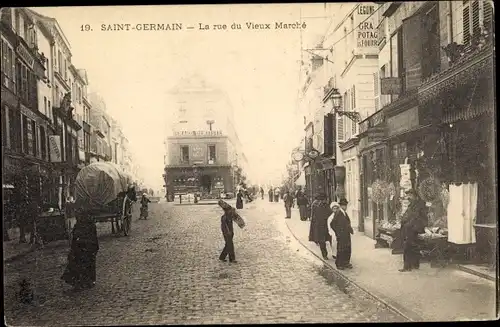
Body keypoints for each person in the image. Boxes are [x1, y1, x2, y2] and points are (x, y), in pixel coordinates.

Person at [62, 211, 99, 291]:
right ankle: (82, 282)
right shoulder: (82, 225)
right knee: (79, 262)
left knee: (85, 263)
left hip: (87, 248)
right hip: (82, 248)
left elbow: (92, 239)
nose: (77, 217)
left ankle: (86, 282)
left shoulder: (87, 225)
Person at [399, 189, 427, 272]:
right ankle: (415, 265)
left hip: (413, 228)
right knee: (413, 246)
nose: (408, 197)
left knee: (407, 247)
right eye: (408, 195)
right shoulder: (413, 204)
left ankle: (407, 267)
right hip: (412, 228)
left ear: (414, 195)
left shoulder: (418, 204)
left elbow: (415, 217)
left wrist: (407, 224)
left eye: (410, 195)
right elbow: (408, 215)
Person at [329, 199, 354, 269]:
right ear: (341, 206)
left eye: (346, 205)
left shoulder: (344, 213)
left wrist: (350, 229)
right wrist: (338, 233)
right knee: (341, 249)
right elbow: (332, 224)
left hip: (346, 234)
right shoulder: (338, 213)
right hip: (341, 235)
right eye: (344, 205)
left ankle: (346, 262)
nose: (346, 207)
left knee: (347, 248)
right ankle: (339, 264)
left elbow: (346, 223)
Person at [308, 193, 333, 260]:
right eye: (325, 199)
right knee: (323, 241)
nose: (325, 201)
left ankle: (330, 254)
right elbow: (313, 216)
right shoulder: (318, 206)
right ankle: (325, 254)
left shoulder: (326, 206)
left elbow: (330, 214)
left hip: (324, 226)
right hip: (321, 226)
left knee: (328, 240)